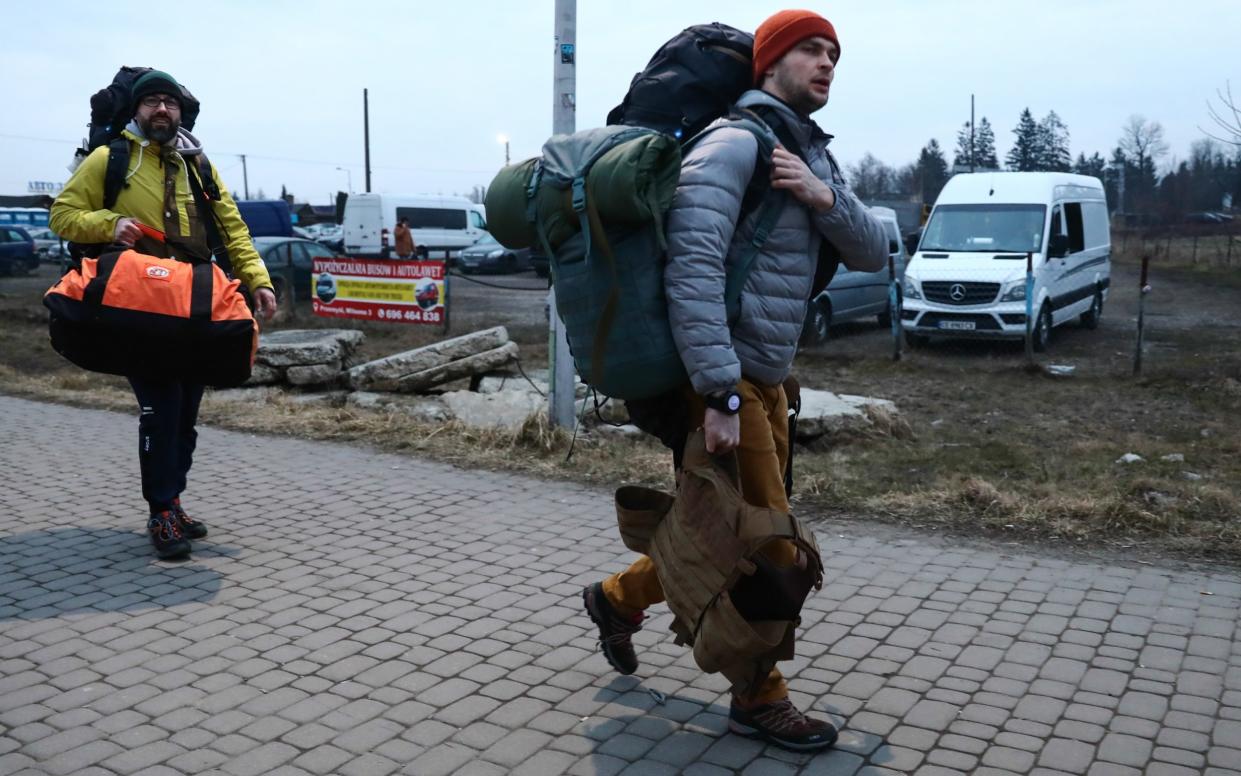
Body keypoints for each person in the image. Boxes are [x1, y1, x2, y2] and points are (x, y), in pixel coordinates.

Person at [582, 10, 887, 752]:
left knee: (717, 529)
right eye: (810, 51)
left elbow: (876, 248)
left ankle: (618, 600)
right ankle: (758, 695)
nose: (826, 65)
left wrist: (824, 199)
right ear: (771, 62)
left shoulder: (809, 154)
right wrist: (718, 392)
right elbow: (690, 269)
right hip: (726, 381)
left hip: (771, 379)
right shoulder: (733, 143)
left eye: (833, 55)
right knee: (765, 547)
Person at [51, 69, 277, 560]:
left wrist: (257, 280)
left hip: (192, 304)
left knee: (186, 418)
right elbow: (62, 214)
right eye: (151, 101)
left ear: (181, 112)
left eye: (169, 103)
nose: (161, 110)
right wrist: (112, 223)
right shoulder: (109, 159)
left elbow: (232, 228)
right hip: (137, 305)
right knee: (162, 410)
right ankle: (161, 511)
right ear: (135, 111)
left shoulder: (198, 164)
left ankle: (172, 499)